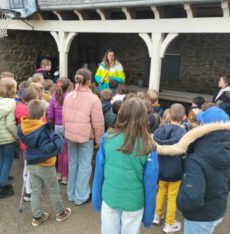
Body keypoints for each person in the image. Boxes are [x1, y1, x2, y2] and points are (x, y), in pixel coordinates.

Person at [92, 97, 159, 234]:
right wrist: (148, 215)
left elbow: (99, 171)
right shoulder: (149, 145)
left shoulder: (107, 138)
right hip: (134, 202)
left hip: (110, 196)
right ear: (144, 117)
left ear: (121, 114)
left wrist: (96, 198)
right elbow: (151, 182)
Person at [172, 106, 230, 234]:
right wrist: (217, 189)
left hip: (199, 216)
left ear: (204, 126)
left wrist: (179, 203)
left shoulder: (196, 157)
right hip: (217, 210)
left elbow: (192, 198)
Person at [18, 99, 72, 227]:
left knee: (36, 190)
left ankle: (37, 216)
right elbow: (53, 146)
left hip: (31, 162)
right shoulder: (44, 129)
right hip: (46, 164)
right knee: (53, 189)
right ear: (43, 113)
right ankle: (61, 213)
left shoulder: (22, 126)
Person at [62, 68, 104, 206]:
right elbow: (98, 122)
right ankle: (80, 196)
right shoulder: (93, 99)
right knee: (85, 166)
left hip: (70, 135)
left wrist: (67, 132)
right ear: (89, 81)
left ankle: (71, 193)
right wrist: (99, 139)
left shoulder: (68, 96)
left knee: (73, 163)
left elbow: (63, 117)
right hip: (86, 137)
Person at [152, 104, 187, 233]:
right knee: (172, 197)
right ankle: (169, 223)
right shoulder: (183, 133)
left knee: (161, 192)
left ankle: (156, 215)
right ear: (184, 117)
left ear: (168, 115)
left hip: (161, 168)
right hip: (176, 170)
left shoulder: (159, 130)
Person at [0, 77, 18, 199]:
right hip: (8, 138)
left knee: (1, 158)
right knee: (8, 160)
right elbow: (10, 124)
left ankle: (0, 179)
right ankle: (2, 186)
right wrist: (18, 136)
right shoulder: (11, 103)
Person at [15, 86, 40, 201]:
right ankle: (31, 191)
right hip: (34, 142)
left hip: (24, 142)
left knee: (26, 167)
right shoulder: (33, 109)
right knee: (33, 168)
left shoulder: (19, 107)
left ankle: (27, 190)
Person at [47, 77, 70, 185]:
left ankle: (59, 174)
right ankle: (65, 177)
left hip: (57, 127)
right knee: (67, 153)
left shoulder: (53, 98)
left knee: (60, 152)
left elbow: (50, 115)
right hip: (67, 127)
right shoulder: (70, 97)